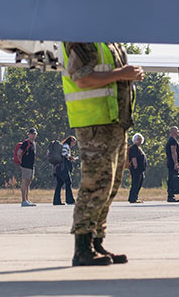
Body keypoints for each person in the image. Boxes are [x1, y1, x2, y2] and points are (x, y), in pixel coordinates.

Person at [61, 41, 142, 267]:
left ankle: (96, 242)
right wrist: (122, 73)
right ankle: (82, 248)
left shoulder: (109, 42)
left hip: (115, 122)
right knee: (95, 185)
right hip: (95, 123)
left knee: (110, 186)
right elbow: (82, 78)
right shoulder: (82, 38)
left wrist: (129, 76)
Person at [53, 135, 77, 206]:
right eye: (74, 142)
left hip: (58, 168)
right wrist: (70, 157)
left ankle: (56, 201)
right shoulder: (66, 145)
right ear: (71, 140)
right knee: (68, 182)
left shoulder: (64, 145)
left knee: (59, 184)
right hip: (63, 167)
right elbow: (64, 153)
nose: (74, 144)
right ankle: (70, 200)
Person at [18, 127, 38, 207]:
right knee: (24, 182)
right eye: (32, 134)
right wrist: (21, 162)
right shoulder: (26, 143)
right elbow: (19, 152)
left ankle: (27, 199)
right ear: (29, 134)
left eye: (34, 134)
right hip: (25, 166)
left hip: (31, 166)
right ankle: (23, 200)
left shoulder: (34, 143)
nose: (33, 135)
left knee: (28, 183)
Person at [126, 133, 146, 204]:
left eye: (140, 140)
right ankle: (133, 198)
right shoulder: (134, 147)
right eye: (137, 139)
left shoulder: (138, 148)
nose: (139, 141)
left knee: (138, 183)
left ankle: (134, 197)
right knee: (135, 183)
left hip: (139, 170)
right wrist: (135, 165)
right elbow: (133, 157)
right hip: (136, 169)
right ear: (134, 140)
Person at [164, 126, 179, 203]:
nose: (178, 132)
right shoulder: (172, 141)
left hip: (171, 162)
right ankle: (170, 195)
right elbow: (173, 152)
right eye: (177, 131)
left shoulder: (172, 140)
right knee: (172, 179)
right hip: (172, 163)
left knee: (172, 178)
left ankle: (172, 195)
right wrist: (176, 163)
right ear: (173, 132)